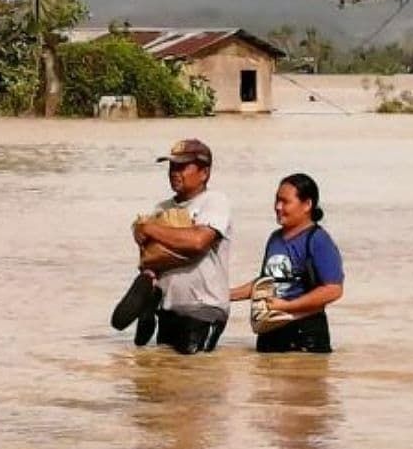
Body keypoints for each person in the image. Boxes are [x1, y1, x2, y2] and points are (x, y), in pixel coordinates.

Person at [131, 138, 233, 354]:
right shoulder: (162, 208)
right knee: (167, 376)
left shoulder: (214, 202)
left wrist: (149, 229)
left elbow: (198, 242)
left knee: (195, 376)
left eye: (182, 166)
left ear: (204, 172)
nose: (174, 172)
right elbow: (149, 257)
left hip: (204, 309)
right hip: (168, 309)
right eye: (171, 167)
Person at [230, 173, 344, 353]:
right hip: (269, 331)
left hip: (305, 333)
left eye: (285, 202)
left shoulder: (318, 240)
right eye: (276, 200)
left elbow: (333, 289)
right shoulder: (274, 238)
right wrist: (226, 295)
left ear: (307, 205)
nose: (277, 207)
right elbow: (266, 282)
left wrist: (287, 306)